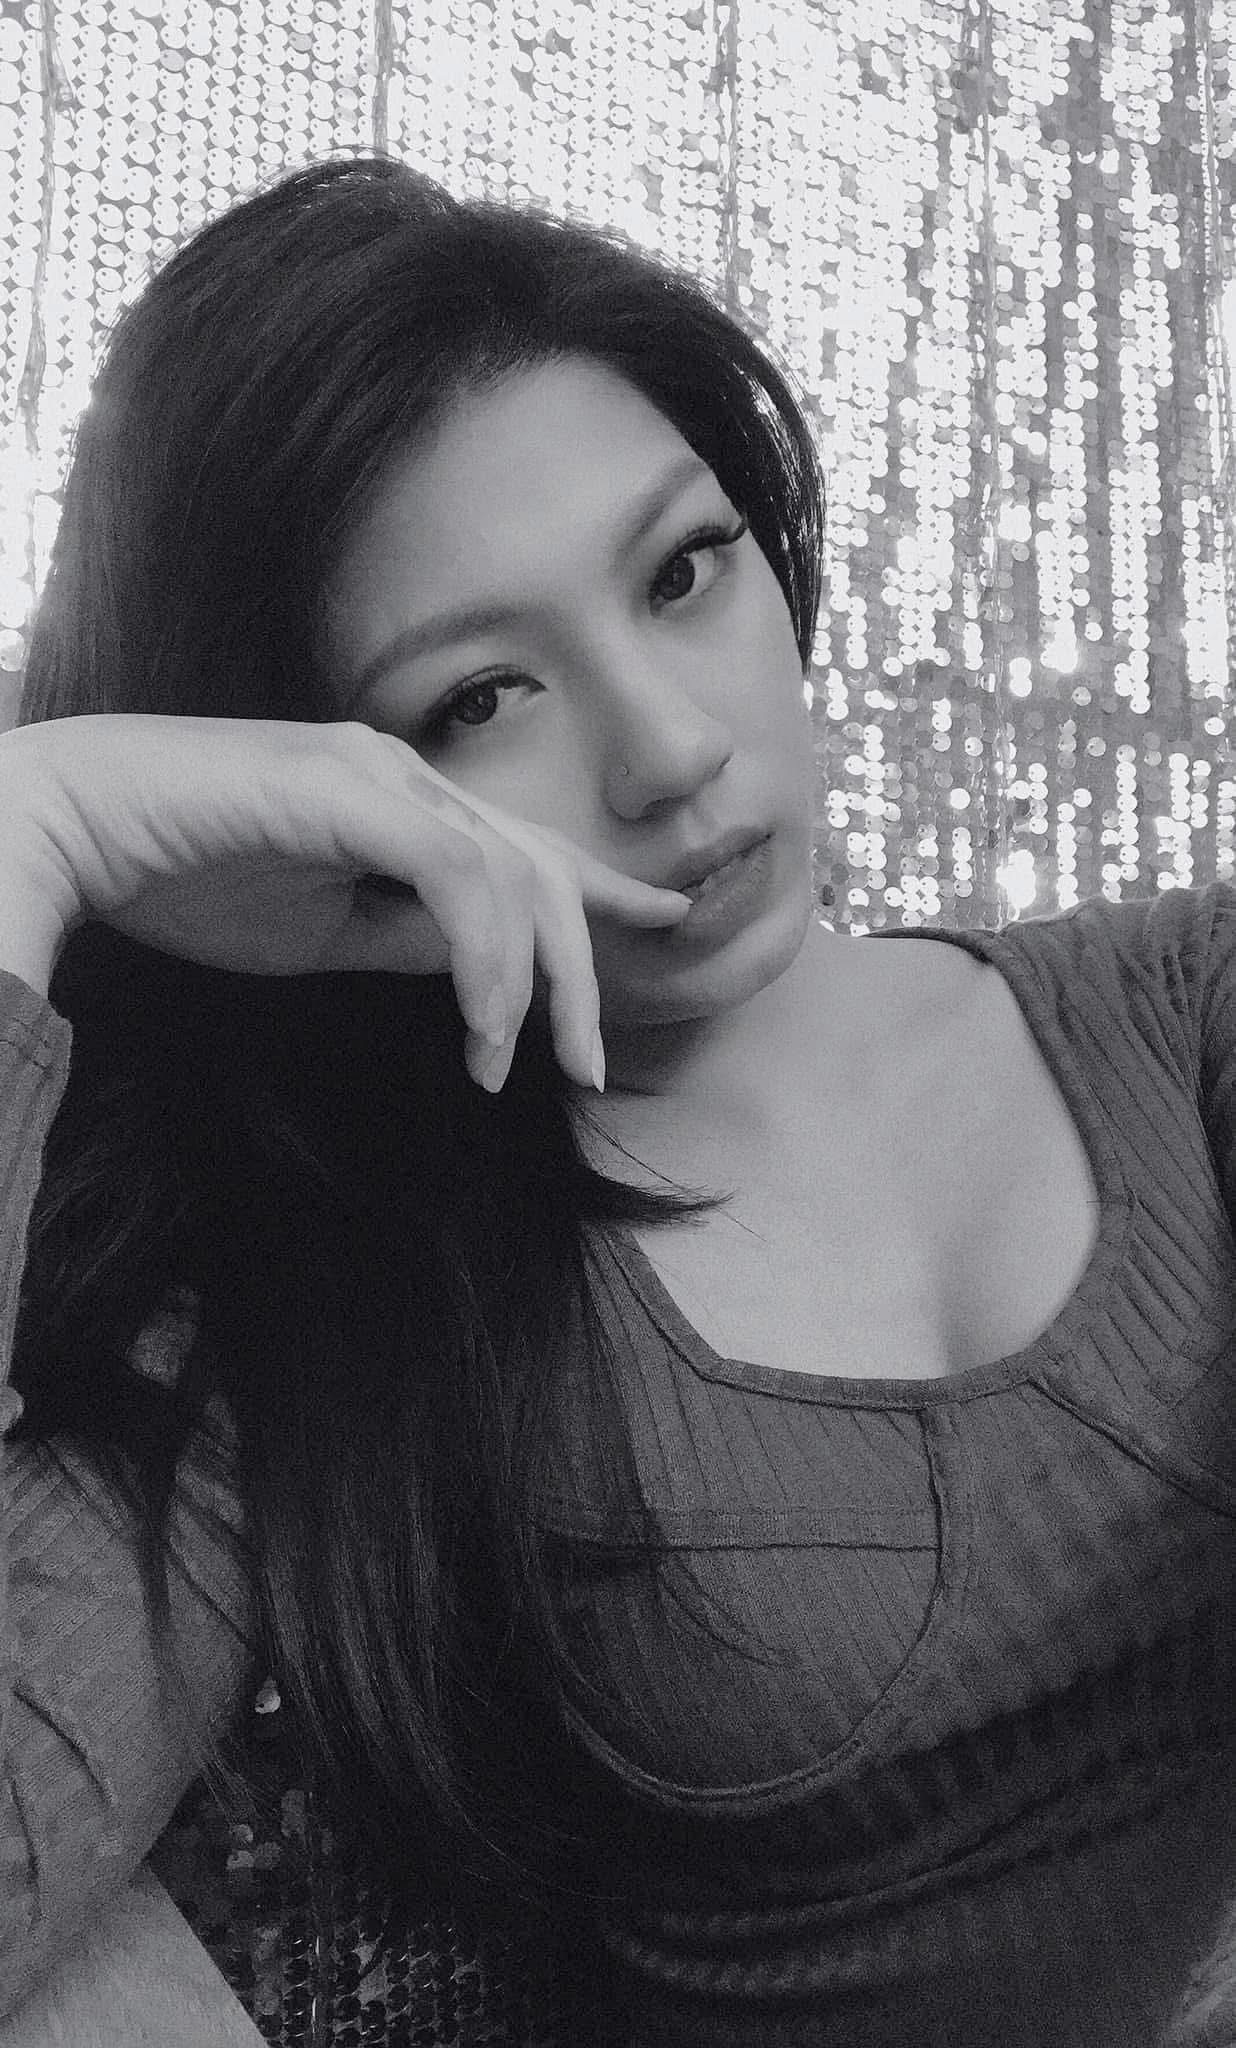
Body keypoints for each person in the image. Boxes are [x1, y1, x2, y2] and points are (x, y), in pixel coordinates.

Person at [0, 150, 1233, 2048]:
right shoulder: (333, 1306)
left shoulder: (1188, 997)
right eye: (479, 699)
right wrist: (38, 833)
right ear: (314, 784)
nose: (669, 751)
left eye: (682, 571)